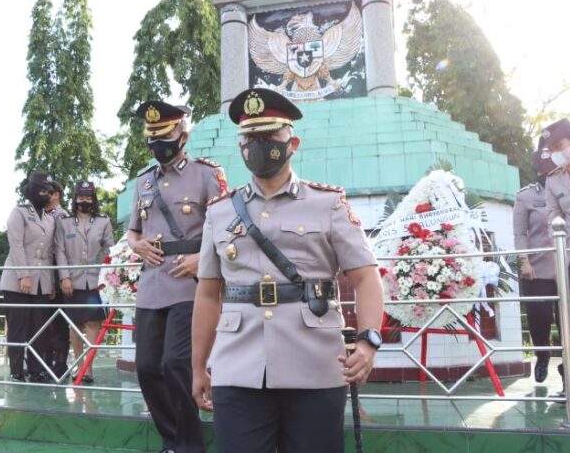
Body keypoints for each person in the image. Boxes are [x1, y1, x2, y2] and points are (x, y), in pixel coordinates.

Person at [191, 88, 384, 453]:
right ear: (240, 147)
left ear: (292, 142)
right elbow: (207, 293)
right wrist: (198, 366)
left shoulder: (328, 204)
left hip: (315, 363)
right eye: (250, 138)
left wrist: (368, 341)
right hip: (238, 365)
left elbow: (366, 276)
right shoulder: (219, 212)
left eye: (270, 137)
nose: (259, 145)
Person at [127, 100, 227, 453]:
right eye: (152, 139)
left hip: (191, 286)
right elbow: (133, 233)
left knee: (175, 364)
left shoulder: (206, 175)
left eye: (165, 136)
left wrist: (202, 259)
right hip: (153, 284)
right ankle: (172, 438)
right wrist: (136, 246)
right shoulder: (143, 182)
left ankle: (188, 445)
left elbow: (227, 229)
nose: (158, 144)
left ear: (183, 135)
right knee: (147, 367)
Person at [0, 173, 57, 383]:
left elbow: (50, 251)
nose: (46, 195)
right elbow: (16, 245)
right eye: (42, 191)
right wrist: (23, 274)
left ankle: (35, 369)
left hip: (41, 281)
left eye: (49, 192)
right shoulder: (19, 212)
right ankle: (16, 369)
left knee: (38, 328)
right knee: (18, 327)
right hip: (17, 280)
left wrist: (50, 281)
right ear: (32, 192)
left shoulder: (50, 218)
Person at [55, 181, 114, 384]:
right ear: (75, 199)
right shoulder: (65, 222)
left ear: (94, 199)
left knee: (93, 323)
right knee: (75, 324)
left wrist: (103, 270)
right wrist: (65, 277)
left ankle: (88, 368)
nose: (85, 201)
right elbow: (60, 251)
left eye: (89, 197)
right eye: (81, 197)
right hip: (72, 280)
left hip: (95, 281)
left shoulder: (103, 222)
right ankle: (79, 365)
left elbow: (110, 249)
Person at [541, 118, 570, 399]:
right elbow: (551, 217)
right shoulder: (553, 178)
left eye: (560, 145)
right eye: (551, 147)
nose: (556, 151)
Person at [513, 148, 558, 383]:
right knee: (539, 317)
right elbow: (520, 233)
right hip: (537, 269)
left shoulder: (569, 192)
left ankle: (569, 367)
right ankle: (542, 355)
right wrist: (524, 262)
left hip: (567, 267)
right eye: (543, 167)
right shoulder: (526, 197)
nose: (547, 171)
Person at [44, 180, 71, 380]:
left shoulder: (60, 216)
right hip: (44, 274)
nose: (45, 195)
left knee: (58, 321)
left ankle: (60, 363)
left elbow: (58, 249)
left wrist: (58, 278)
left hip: (56, 274)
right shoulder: (41, 214)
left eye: (49, 192)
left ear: (57, 195)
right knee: (45, 321)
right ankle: (45, 361)